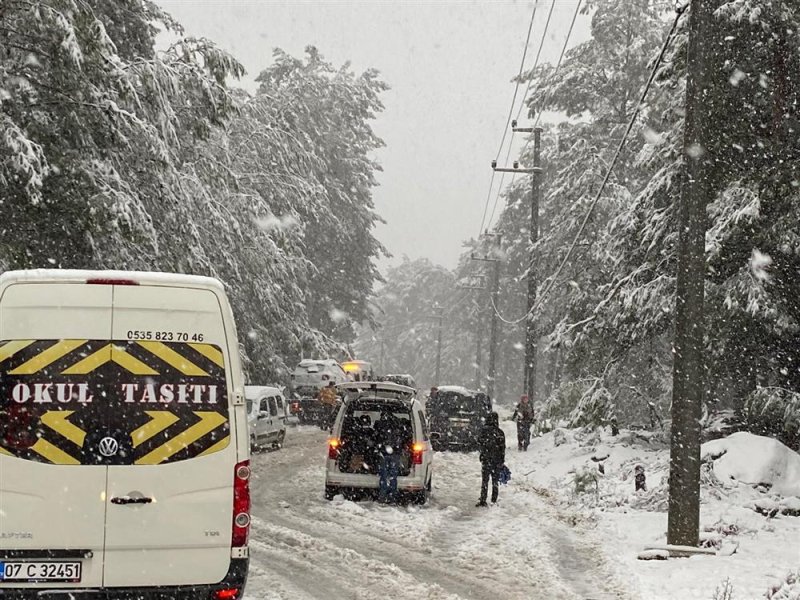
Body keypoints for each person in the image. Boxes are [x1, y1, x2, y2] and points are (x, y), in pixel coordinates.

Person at [373, 409, 404, 503]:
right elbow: (402, 436)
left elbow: (376, 437)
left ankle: (383, 496)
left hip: (384, 453)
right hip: (395, 453)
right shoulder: (398, 424)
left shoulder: (380, 424)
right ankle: (392, 497)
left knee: (384, 475)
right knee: (393, 476)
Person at [476, 411, 505, 507]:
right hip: (496, 460)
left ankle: (483, 499)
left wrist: (484, 452)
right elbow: (502, 448)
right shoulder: (500, 432)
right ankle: (494, 499)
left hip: (486, 459)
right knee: (495, 481)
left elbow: (479, 442)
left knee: (485, 480)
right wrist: (501, 460)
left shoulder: (484, 431)